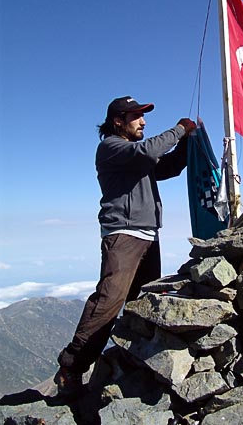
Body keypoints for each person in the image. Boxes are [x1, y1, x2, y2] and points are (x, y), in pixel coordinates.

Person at [54, 95, 196, 395]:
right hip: (124, 235)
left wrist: (186, 145)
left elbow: (167, 166)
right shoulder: (112, 148)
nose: (143, 121)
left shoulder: (134, 156)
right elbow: (148, 151)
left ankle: (136, 360)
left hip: (146, 235)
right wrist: (180, 129)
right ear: (118, 121)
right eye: (137, 116)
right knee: (109, 301)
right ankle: (71, 366)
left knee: (142, 301)